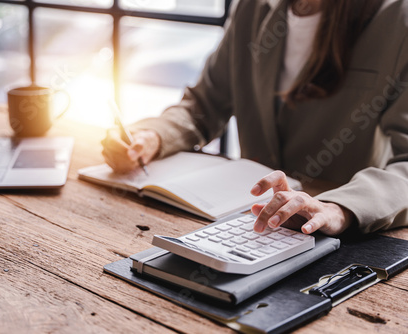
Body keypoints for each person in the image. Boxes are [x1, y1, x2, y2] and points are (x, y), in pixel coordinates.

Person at [101, 0, 408, 236]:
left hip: (335, 236)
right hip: (245, 223)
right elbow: (204, 104)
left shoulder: (397, 18)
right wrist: (152, 137)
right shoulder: (253, 7)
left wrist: (339, 208)